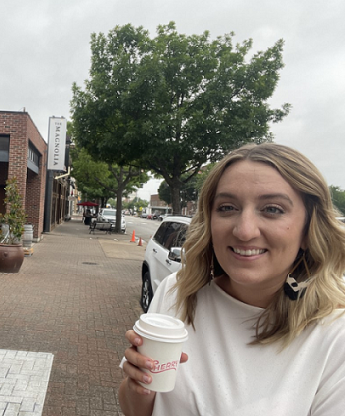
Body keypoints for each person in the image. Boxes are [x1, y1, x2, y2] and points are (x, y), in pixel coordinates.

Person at [119, 143, 345, 415]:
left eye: (272, 209)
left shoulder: (335, 336)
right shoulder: (176, 292)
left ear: (309, 229)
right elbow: (136, 410)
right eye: (227, 207)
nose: (244, 231)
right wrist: (139, 385)